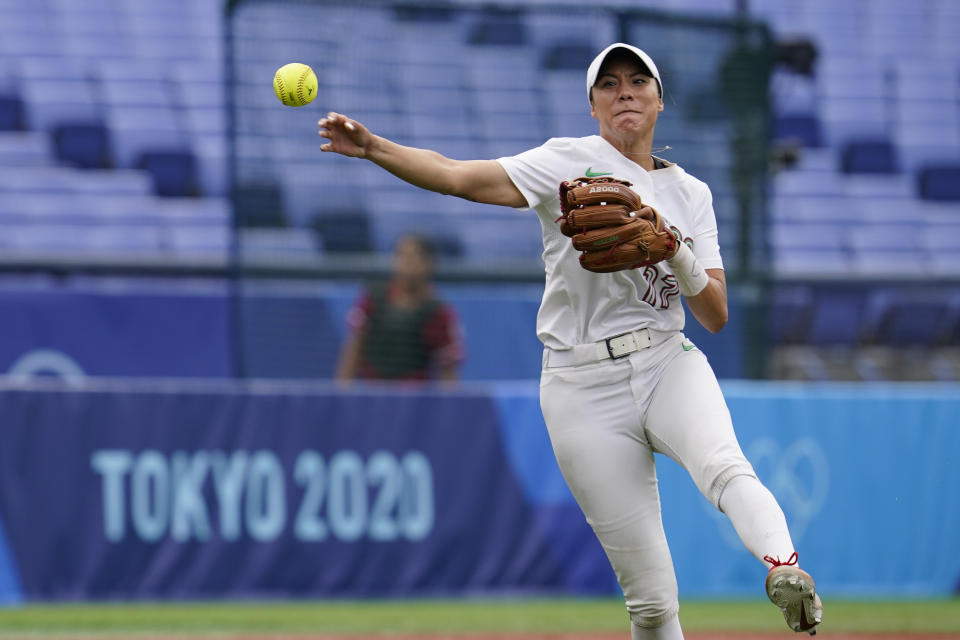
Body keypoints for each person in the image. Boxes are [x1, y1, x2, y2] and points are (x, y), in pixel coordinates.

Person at [319, 42, 823, 638]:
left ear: (661, 100)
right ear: (592, 106)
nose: (625, 91)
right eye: (609, 84)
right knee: (652, 603)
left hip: (666, 358)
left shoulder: (692, 194)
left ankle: (784, 570)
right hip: (580, 385)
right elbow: (458, 177)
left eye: (639, 81)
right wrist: (376, 148)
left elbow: (715, 314)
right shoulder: (565, 161)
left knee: (724, 465)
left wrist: (675, 249)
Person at [335, 233, 464, 382]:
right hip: (372, 394)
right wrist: (342, 392)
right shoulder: (373, 298)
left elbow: (448, 371)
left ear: (429, 263)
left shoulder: (439, 313)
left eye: (413, 258)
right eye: (400, 256)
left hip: (414, 399)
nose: (406, 264)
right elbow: (353, 349)